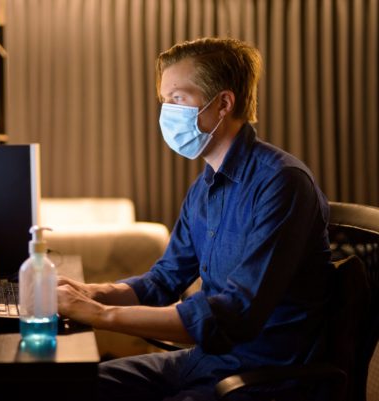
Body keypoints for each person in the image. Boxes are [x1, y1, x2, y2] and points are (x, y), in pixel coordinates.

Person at [56, 37, 335, 400]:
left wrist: (98, 314)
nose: (166, 113)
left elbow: (234, 314)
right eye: (163, 100)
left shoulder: (282, 182)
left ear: (223, 104)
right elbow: (162, 281)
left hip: (264, 378)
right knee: (66, 386)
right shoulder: (202, 190)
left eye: (178, 99)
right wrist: (90, 292)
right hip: (207, 361)